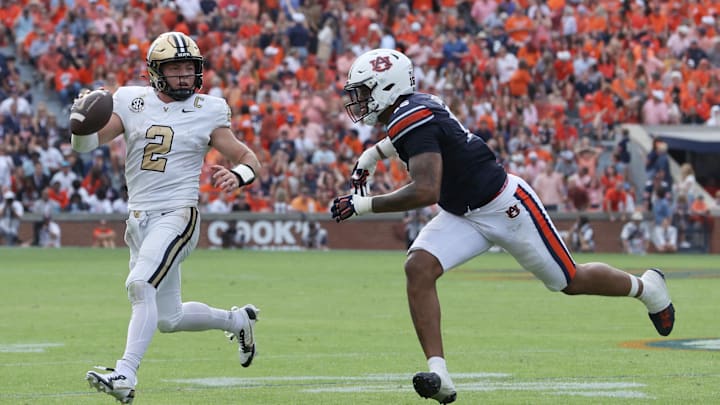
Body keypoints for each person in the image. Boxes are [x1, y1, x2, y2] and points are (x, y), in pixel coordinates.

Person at [330, 48, 675, 404]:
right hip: (462, 214)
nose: (359, 101)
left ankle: (647, 288)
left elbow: (426, 189)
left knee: (570, 280)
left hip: (504, 206)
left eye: (365, 91)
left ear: (387, 87)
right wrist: (372, 155)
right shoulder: (417, 105)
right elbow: (408, 138)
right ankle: (440, 374)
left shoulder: (410, 116)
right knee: (419, 267)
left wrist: (363, 205)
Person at [71, 32, 262, 404]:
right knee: (168, 318)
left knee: (140, 285)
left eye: (189, 68)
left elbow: (249, 159)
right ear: (155, 72)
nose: (184, 76)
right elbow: (87, 144)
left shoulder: (209, 109)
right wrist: (78, 126)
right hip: (138, 219)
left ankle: (125, 374)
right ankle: (237, 321)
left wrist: (237, 176)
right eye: (175, 68)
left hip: (177, 214)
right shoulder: (130, 100)